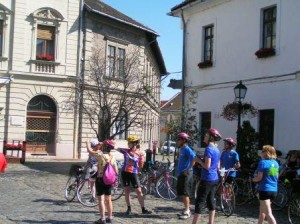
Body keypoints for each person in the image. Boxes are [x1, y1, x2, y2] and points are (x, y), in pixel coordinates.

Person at [115, 135, 152, 215]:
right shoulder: (126, 151)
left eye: (130, 143)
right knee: (127, 191)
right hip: (125, 173)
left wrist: (142, 158)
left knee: (139, 191)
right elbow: (116, 147)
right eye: (128, 143)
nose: (128, 144)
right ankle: (129, 208)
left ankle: (143, 209)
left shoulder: (139, 153)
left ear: (134, 144)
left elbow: (141, 165)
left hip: (133, 173)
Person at [191, 128, 222, 224]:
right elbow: (218, 165)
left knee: (199, 202)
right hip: (214, 178)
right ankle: (210, 222)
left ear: (210, 137)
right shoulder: (217, 149)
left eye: (206, 135)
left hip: (207, 179)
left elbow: (207, 166)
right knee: (210, 201)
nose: (204, 136)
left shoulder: (208, 149)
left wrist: (198, 160)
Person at [86, 139, 118, 224]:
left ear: (104, 146)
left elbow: (90, 151)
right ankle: (110, 218)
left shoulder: (100, 154)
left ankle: (102, 219)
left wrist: (87, 142)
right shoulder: (113, 156)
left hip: (100, 179)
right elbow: (116, 171)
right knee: (109, 199)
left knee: (101, 200)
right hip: (109, 180)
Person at [252, 145, 279, 224]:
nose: (261, 153)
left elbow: (259, 178)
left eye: (263, 151)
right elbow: (276, 177)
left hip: (264, 190)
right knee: (262, 210)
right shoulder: (276, 163)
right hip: (274, 190)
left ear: (266, 153)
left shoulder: (263, 162)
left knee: (268, 213)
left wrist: (253, 179)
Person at [175, 132, 196, 220]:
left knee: (185, 193)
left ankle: (187, 211)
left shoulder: (187, 149)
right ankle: (186, 209)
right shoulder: (182, 149)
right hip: (181, 174)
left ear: (184, 140)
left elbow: (194, 158)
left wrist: (189, 169)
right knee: (183, 194)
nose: (177, 141)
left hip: (186, 174)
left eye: (179, 140)